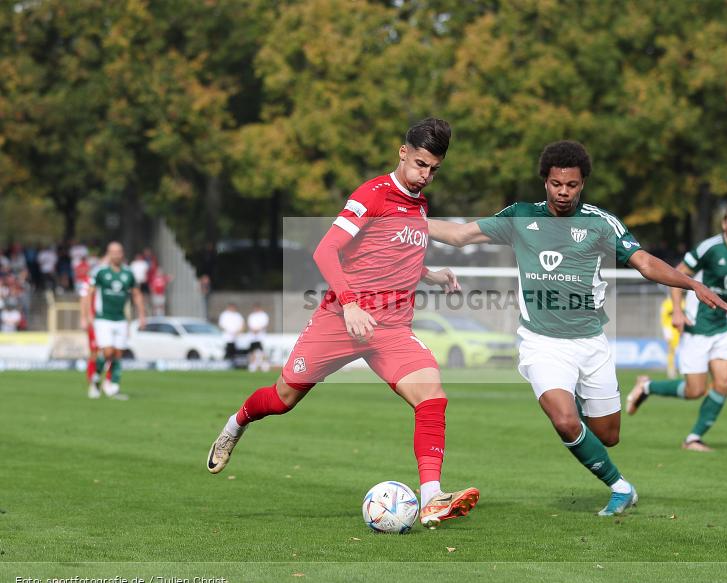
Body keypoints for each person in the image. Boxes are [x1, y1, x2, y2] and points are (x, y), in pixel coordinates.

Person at [427, 140, 727, 516]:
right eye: (556, 184)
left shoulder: (600, 223)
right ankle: (620, 487)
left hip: (590, 343)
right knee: (564, 420)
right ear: (545, 181)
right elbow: (460, 235)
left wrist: (693, 285)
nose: (563, 192)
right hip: (541, 343)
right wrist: (407, 222)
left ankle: (581, 413)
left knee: (608, 436)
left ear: (582, 184)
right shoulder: (522, 216)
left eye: (571, 185)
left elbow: (645, 262)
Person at [206, 117, 479, 528]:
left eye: (434, 169)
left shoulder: (419, 205)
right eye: (420, 164)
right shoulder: (372, 195)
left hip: (390, 328)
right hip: (340, 320)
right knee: (282, 399)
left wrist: (432, 275)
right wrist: (350, 305)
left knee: (432, 396)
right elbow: (325, 250)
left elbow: (391, 254)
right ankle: (234, 425)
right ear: (403, 152)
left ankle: (432, 498)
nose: (426, 175)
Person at [626, 202, 727, 451]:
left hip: (721, 328)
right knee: (695, 391)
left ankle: (693, 438)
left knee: (725, 383)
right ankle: (647, 386)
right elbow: (676, 275)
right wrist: (677, 311)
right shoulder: (709, 248)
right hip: (696, 326)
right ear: (724, 224)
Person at [80, 242, 146, 399]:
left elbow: (136, 294)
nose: (116, 255)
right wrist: (86, 315)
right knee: (107, 351)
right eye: (113, 252)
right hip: (103, 318)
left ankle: (112, 385)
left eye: (118, 252)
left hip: (121, 319)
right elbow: (88, 293)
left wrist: (142, 315)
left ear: (122, 254)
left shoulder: (128, 273)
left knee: (118, 354)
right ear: (108, 254)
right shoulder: (100, 272)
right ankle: (96, 379)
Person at [76, 253, 112, 397]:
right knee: (95, 353)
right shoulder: (90, 280)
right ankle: (93, 382)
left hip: (110, 320)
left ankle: (109, 382)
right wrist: (84, 317)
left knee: (111, 352)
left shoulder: (113, 280)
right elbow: (84, 298)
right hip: (95, 321)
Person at [659, 295, 683, 378]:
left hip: (680, 331)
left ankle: (683, 369)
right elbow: (663, 318)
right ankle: (671, 370)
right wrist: (666, 331)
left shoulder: (683, 302)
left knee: (683, 351)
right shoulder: (666, 303)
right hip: (670, 331)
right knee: (671, 351)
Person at [246, 303, 270, 372]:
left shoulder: (263, 315)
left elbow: (264, 324)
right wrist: (253, 330)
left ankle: (264, 365)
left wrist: (257, 330)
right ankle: (252, 365)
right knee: (252, 351)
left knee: (262, 351)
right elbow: (249, 325)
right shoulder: (251, 316)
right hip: (252, 337)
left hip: (261, 337)